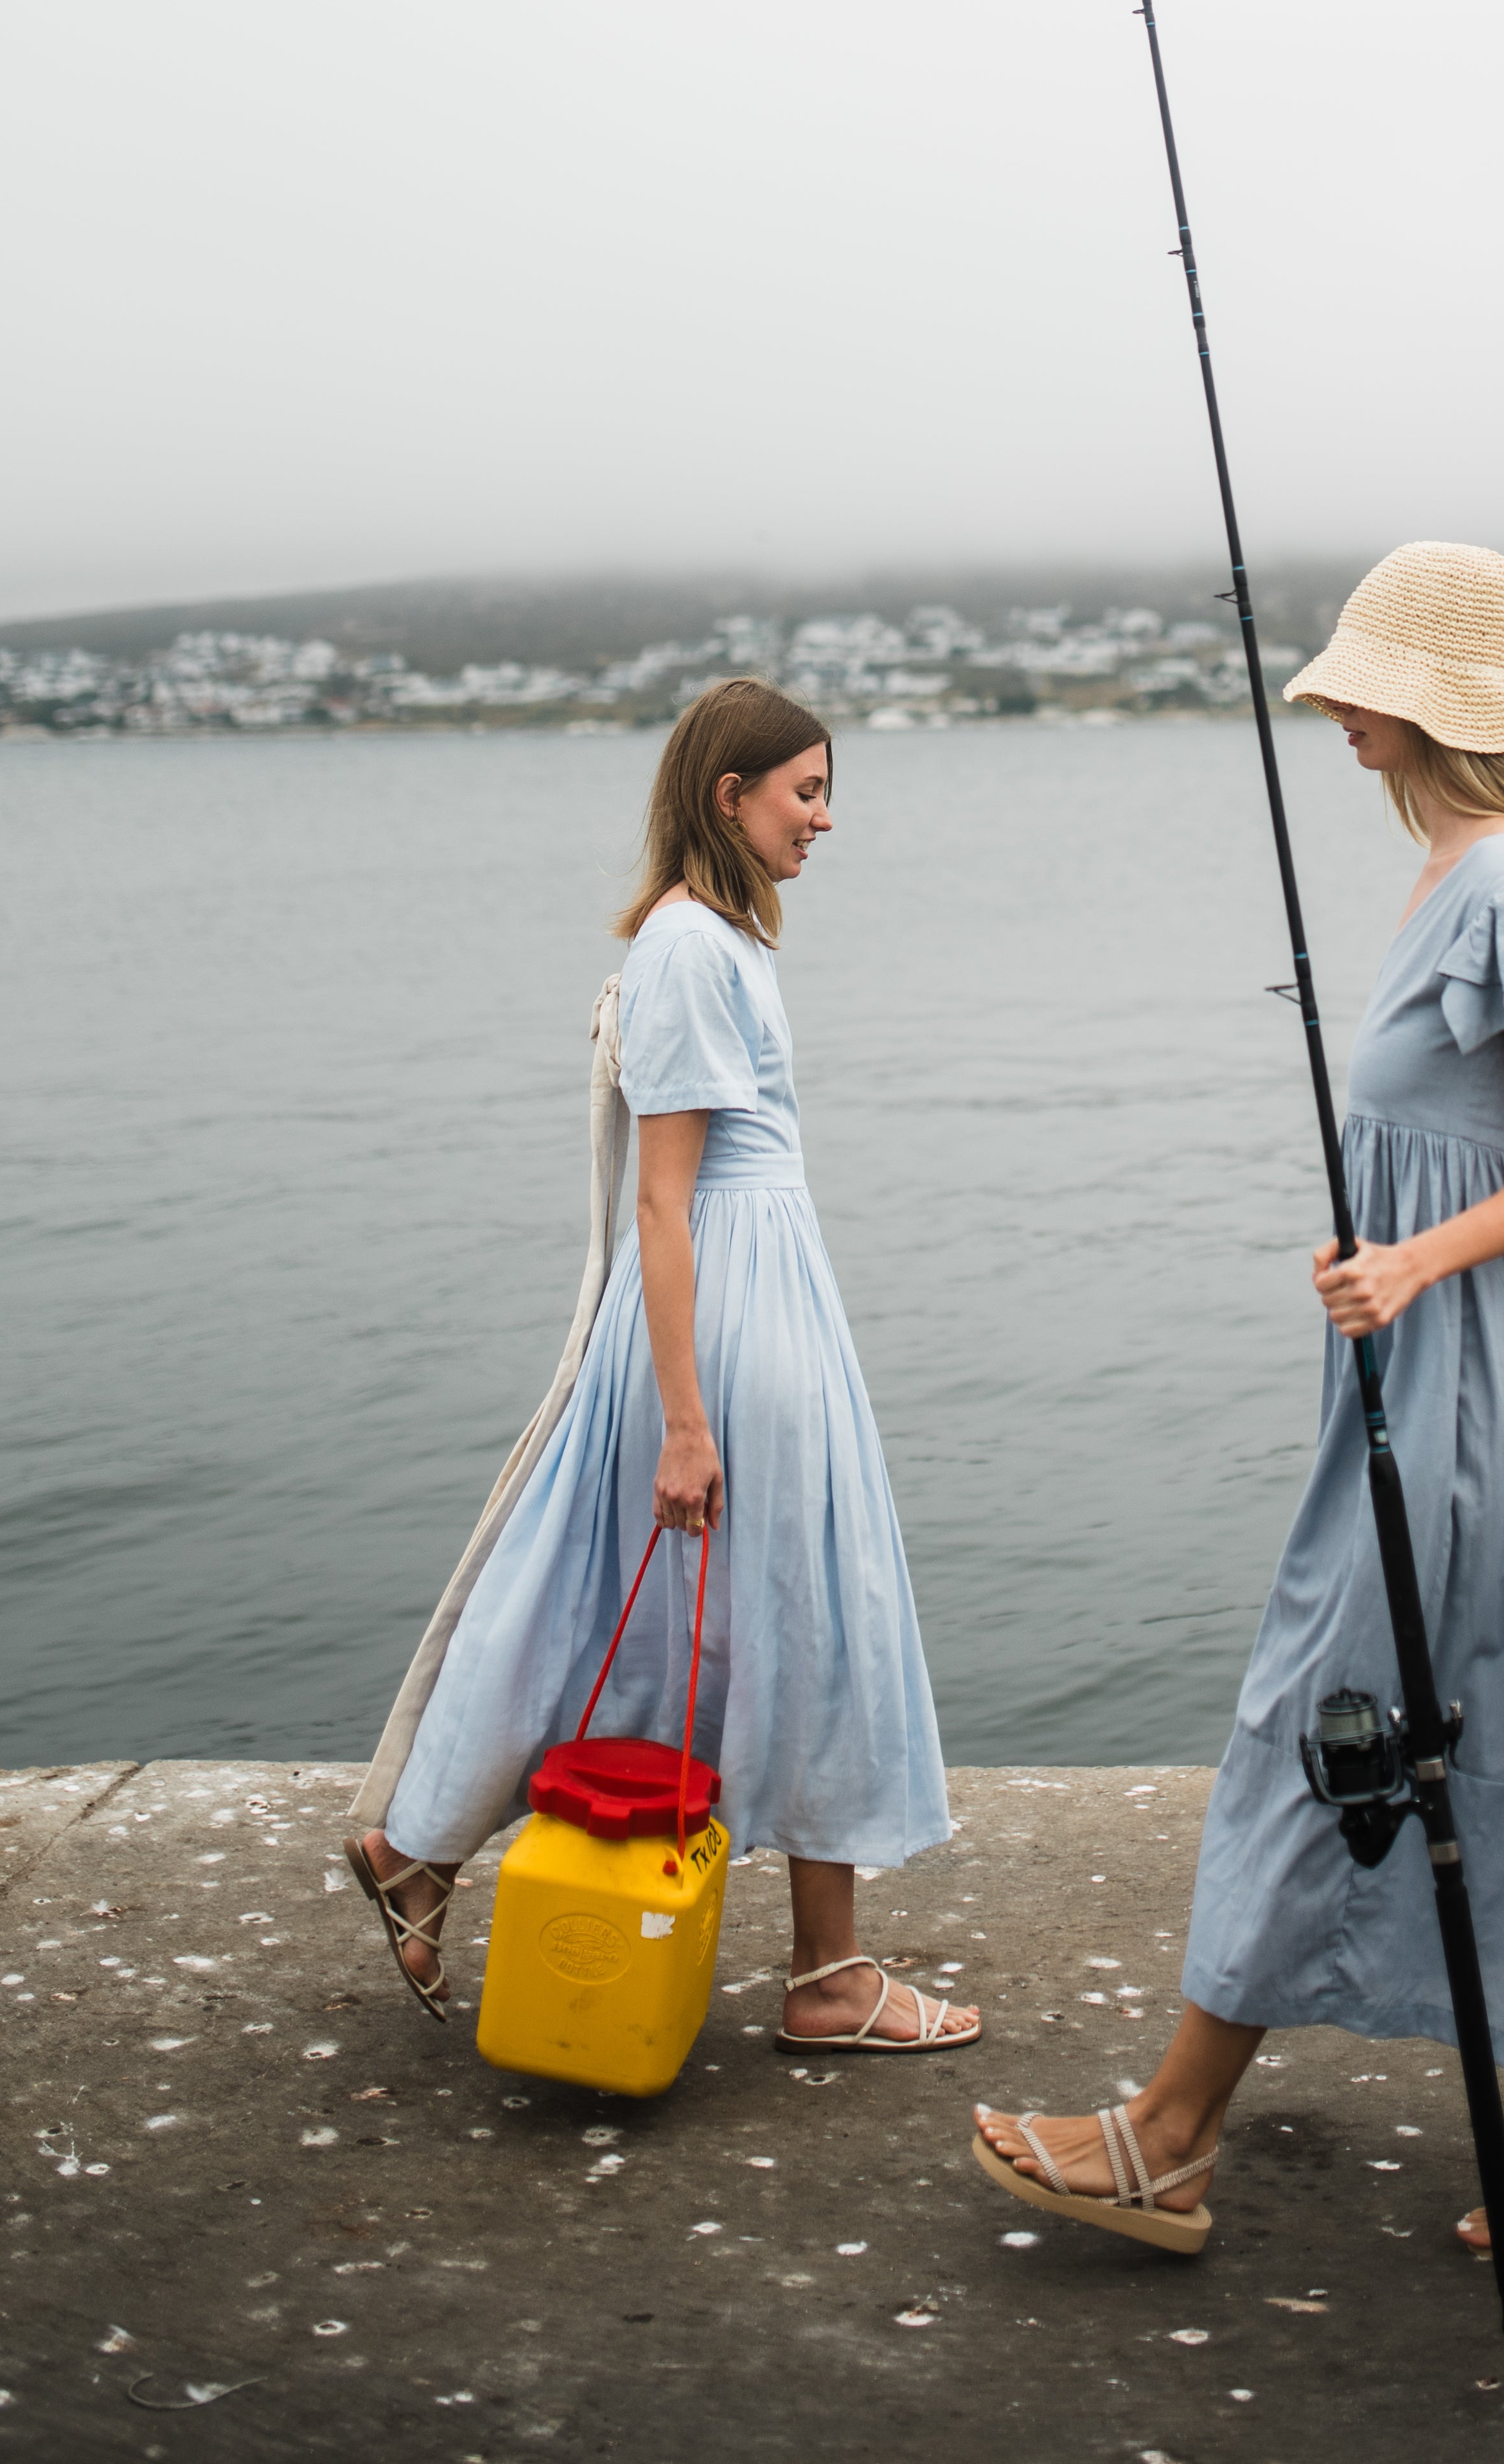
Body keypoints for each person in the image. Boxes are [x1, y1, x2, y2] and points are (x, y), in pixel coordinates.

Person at [973, 543, 1504, 2262]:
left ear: (1425, 702)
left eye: (1358, 680)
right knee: (1474, 1727)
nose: (1330, 706)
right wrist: (1396, 1271)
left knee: (1338, 1711)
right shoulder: (1449, 869)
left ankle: (1167, 2137)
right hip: (1437, 1365)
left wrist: (1416, 1262)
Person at [346, 677, 978, 2058]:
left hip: (758, 1288)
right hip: (731, 1303)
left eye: (824, 788)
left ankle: (426, 1847)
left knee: (636, 1608)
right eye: (804, 790)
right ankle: (827, 1973)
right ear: (726, 796)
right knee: (799, 1609)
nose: (824, 816)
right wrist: (685, 1417)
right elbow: (662, 1196)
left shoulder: (719, 944)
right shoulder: (691, 949)